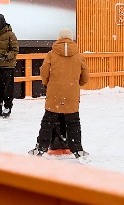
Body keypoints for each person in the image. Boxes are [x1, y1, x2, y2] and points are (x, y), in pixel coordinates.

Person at [30, 29, 90, 160]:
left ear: (59, 38)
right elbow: (85, 77)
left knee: (48, 120)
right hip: (71, 92)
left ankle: (41, 147)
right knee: (73, 121)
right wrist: (76, 83)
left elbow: (44, 71)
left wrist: (48, 83)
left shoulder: (51, 54)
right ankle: (77, 149)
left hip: (54, 91)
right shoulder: (79, 56)